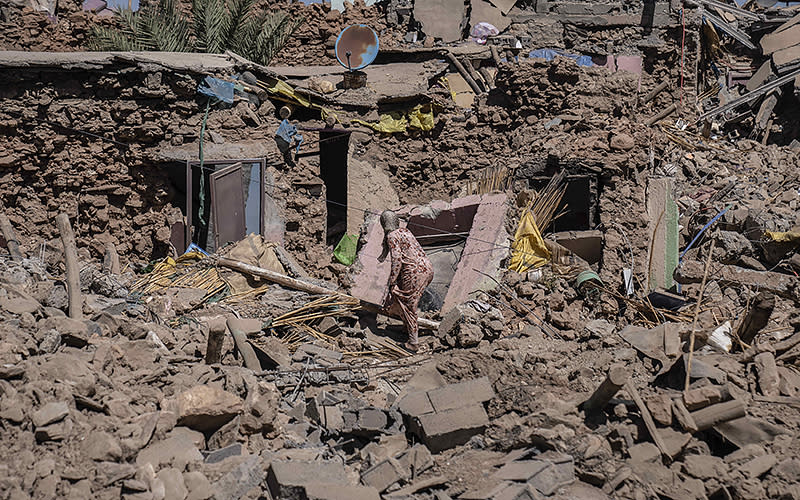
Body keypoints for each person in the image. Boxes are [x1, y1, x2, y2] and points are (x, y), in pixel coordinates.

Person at [377, 210, 434, 353]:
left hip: (414, 272)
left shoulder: (392, 236)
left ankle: (413, 343)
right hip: (427, 268)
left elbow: (397, 260)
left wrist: (392, 280)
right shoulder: (405, 231)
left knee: (409, 305)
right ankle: (406, 328)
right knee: (403, 298)